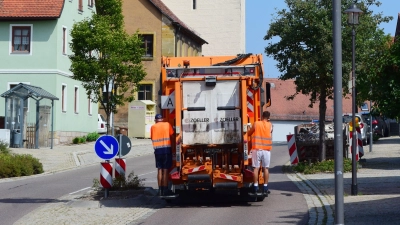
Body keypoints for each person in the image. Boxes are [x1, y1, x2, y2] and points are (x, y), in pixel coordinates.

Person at [247, 111, 273, 195]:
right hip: (266, 150)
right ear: (268, 117)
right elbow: (270, 133)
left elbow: (249, 133)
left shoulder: (256, 123)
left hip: (257, 149)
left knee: (256, 168)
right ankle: (265, 187)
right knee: (266, 168)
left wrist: (248, 128)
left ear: (262, 116)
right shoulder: (270, 125)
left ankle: (255, 187)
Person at [150, 113, 174, 196]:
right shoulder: (167, 125)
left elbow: (151, 137)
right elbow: (172, 135)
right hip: (166, 150)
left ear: (156, 120)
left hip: (157, 151)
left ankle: (160, 190)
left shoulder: (153, 127)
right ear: (162, 119)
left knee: (159, 170)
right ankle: (165, 189)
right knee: (165, 170)